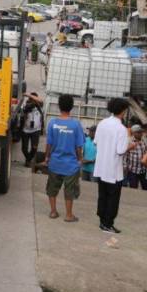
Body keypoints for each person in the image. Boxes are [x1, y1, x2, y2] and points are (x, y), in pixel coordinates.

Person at [93, 98, 136, 234]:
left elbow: (96, 142)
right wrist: (131, 146)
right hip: (113, 169)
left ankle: (102, 222)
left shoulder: (102, 123)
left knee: (102, 195)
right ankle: (108, 223)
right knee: (113, 198)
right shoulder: (121, 129)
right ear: (123, 111)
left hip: (101, 166)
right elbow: (120, 150)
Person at [45, 94, 84, 222]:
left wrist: (47, 157)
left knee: (52, 188)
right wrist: (80, 159)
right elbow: (78, 146)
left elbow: (49, 143)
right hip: (71, 165)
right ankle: (68, 215)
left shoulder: (52, 123)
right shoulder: (76, 124)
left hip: (55, 162)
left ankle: (53, 211)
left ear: (59, 106)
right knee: (69, 190)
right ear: (71, 107)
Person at [20, 92, 44, 166]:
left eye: (34, 99)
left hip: (36, 130)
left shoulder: (39, 106)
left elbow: (41, 101)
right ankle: (28, 159)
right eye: (32, 99)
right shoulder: (26, 105)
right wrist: (31, 103)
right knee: (24, 149)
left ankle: (28, 160)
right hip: (25, 130)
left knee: (34, 148)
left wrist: (30, 95)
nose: (33, 101)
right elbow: (25, 109)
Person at [123, 125, 147, 189]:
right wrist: (125, 166)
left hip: (143, 170)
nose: (140, 133)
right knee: (133, 188)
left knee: (146, 188)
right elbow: (125, 154)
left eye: (141, 132)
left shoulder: (144, 140)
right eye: (138, 132)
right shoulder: (129, 141)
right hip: (133, 170)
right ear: (133, 133)